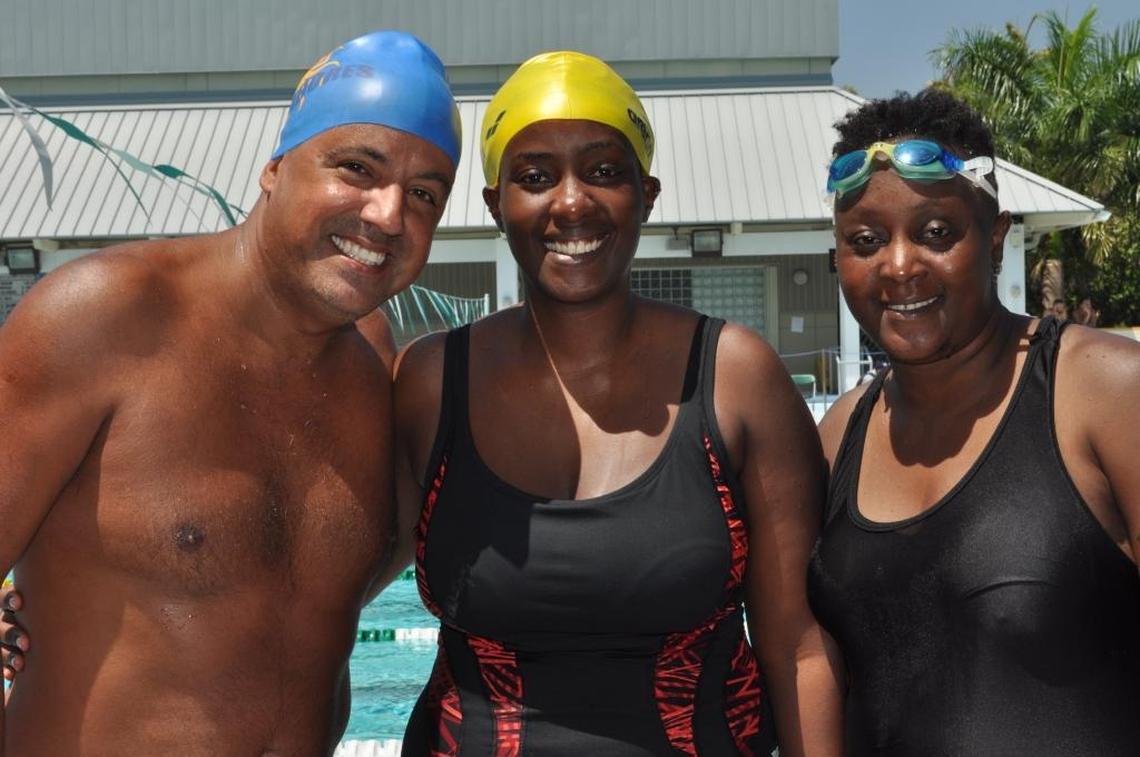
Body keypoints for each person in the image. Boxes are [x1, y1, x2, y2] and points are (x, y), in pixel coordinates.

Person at [0, 30, 461, 756]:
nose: (386, 215)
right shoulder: (102, 315)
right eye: (356, 168)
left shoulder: (377, 374)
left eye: (424, 195)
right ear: (275, 168)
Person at [391, 51, 842, 755]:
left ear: (647, 193)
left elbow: (798, 647)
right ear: (495, 204)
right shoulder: (428, 382)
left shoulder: (735, 379)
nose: (572, 201)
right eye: (536, 177)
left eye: (604, 171)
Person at [807, 89, 1140, 755]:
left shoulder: (1103, 390)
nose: (899, 265)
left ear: (994, 239)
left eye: (936, 233)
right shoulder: (839, 434)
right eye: (866, 240)